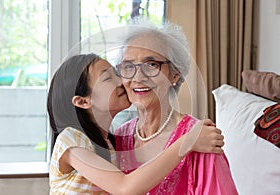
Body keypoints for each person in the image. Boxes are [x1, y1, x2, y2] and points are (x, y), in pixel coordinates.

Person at [47, 53, 225, 194]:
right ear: (83, 102)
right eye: (108, 79)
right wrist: (187, 142)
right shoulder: (70, 140)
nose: (122, 82)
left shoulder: (111, 142)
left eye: (117, 74)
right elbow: (125, 188)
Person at [114, 18, 239, 194]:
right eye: (128, 66)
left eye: (151, 64)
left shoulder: (201, 139)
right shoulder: (118, 138)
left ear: (174, 75)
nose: (138, 77)